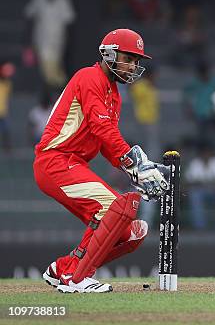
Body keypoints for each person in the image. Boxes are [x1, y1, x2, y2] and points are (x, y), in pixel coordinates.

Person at [33, 29, 169, 293]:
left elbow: (107, 145)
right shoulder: (89, 77)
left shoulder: (114, 94)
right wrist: (134, 164)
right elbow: (102, 129)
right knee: (113, 207)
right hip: (56, 160)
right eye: (129, 58)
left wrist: (133, 171)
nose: (134, 66)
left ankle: (65, 269)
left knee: (131, 232)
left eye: (137, 61)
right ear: (109, 54)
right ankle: (77, 280)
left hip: (72, 164)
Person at [24, 0, 75, 89]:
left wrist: (68, 41)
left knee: (55, 68)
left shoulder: (63, 0)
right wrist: (27, 41)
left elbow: (69, 21)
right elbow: (29, 16)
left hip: (58, 40)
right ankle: (60, 89)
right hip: (41, 40)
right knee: (47, 67)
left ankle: (61, 88)